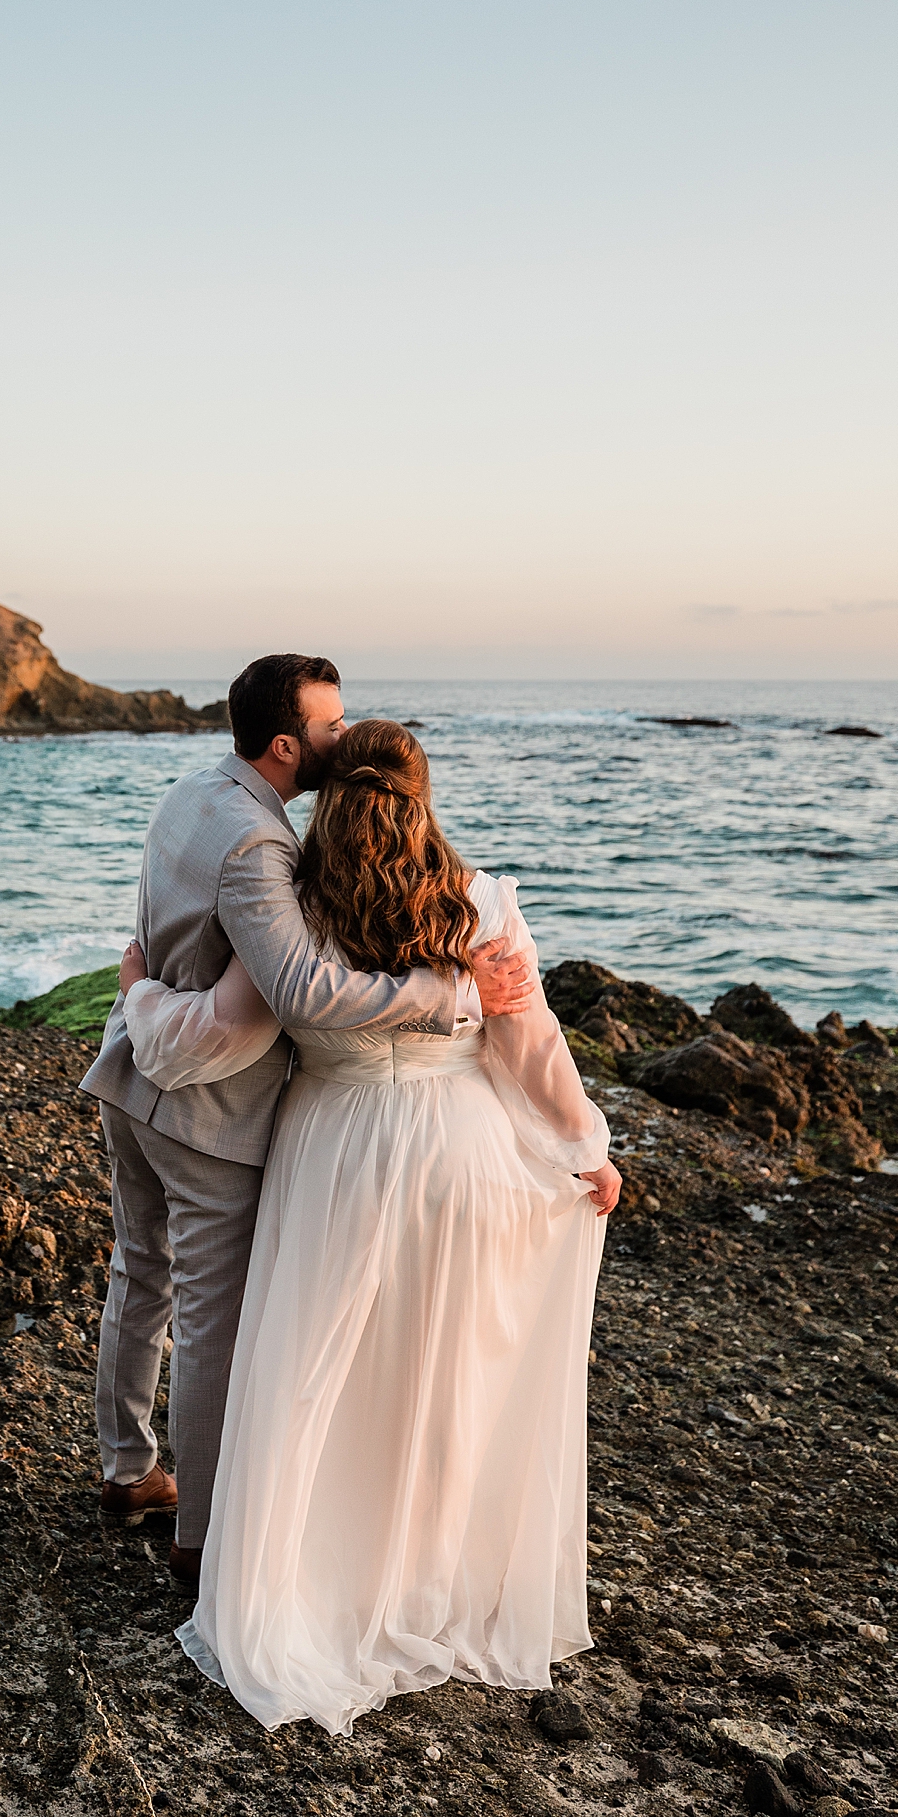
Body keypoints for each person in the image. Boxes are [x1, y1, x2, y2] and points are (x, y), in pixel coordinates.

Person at [117, 718, 620, 1734]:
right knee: (446, 1366)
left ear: (324, 798)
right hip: (460, 1151)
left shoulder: (293, 913)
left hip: (334, 1151)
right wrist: (583, 1148)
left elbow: (213, 1035)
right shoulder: (478, 902)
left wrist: (135, 996)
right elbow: (531, 1048)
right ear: (421, 797)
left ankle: (323, 1575)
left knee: (324, 1370)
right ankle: (430, 1576)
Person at [79, 659, 535, 1592]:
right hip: (204, 1109)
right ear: (286, 746)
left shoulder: (189, 792)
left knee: (139, 1267)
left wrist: (139, 993)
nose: (344, 735)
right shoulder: (261, 848)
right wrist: (449, 988)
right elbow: (302, 989)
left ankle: (127, 1469)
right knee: (210, 1315)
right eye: (330, 726)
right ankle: (199, 1536)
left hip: (129, 1066)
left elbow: (154, 935)